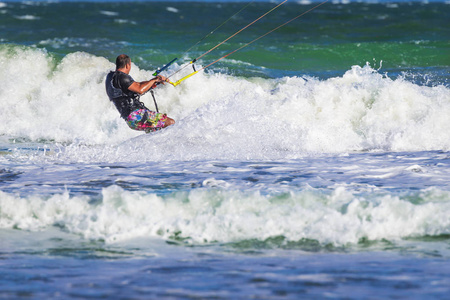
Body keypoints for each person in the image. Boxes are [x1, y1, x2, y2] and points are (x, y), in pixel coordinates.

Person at [105, 54, 175, 133]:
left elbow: (137, 85)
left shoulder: (110, 77)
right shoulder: (122, 77)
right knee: (170, 123)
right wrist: (155, 80)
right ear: (128, 65)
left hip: (130, 120)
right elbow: (140, 89)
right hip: (137, 115)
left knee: (155, 132)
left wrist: (152, 82)